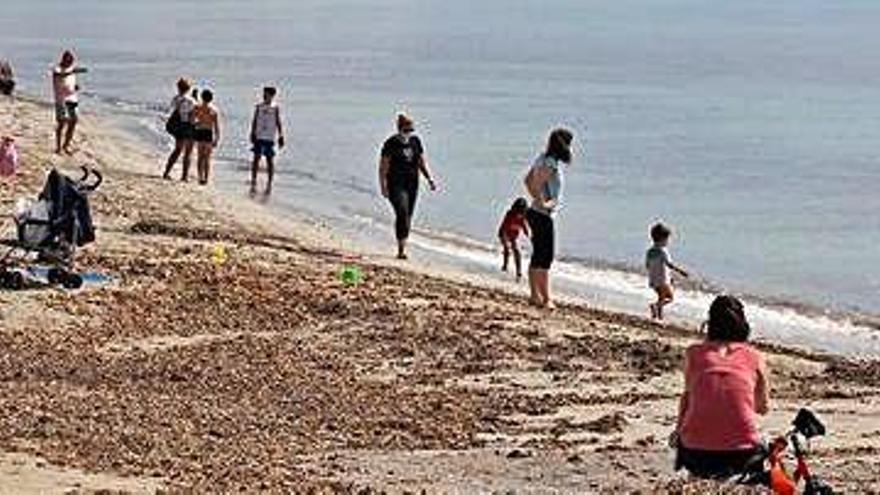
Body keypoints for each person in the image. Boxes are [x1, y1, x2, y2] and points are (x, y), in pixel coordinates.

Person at [673, 295, 770, 479]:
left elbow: (688, 398)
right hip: (741, 455)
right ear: (742, 323)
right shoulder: (755, 357)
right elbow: (762, 408)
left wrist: (678, 431)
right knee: (763, 438)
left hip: (695, 453)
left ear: (710, 323)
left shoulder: (693, 353)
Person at [523, 128, 574, 309]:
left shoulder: (542, 158)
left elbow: (527, 180)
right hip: (542, 215)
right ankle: (546, 298)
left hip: (535, 213)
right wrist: (544, 203)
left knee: (538, 255)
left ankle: (535, 295)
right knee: (545, 257)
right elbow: (535, 184)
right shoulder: (551, 163)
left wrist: (538, 200)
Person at [378, 113, 438, 259]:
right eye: (406, 130)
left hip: (412, 183)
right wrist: (383, 186)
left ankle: (402, 245)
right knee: (402, 212)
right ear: (399, 129)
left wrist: (429, 178)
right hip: (395, 184)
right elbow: (383, 167)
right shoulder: (390, 143)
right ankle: (401, 251)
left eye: (411, 130)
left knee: (408, 216)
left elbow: (421, 162)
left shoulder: (416, 142)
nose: (408, 133)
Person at [646, 222, 689, 320]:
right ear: (663, 239)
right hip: (663, 280)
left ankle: (658, 317)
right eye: (667, 239)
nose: (668, 242)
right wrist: (681, 271)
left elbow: (647, 265)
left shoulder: (650, 251)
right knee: (670, 298)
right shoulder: (663, 250)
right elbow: (669, 264)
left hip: (653, 280)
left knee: (661, 297)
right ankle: (655, 306)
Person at [249, 86, 285, 194]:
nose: (264, 95)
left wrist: (281, 135)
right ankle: (254, 180)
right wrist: (252, 132)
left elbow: (278, 122)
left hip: (269, 137)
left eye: (267, 94)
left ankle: (269, 182)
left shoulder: (275, 107)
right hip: (259, 136)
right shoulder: (259, 106)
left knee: (270, 160)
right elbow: (254, 120)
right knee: (256, 159)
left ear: (272, 95)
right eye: (264, 94)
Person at [51, 50, 88, 155]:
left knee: (73, 122)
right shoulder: (57, 69)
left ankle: (66, 146)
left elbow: (70, 82)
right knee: (62, 123)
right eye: (68, 61)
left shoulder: (71, 70)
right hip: (61, 100)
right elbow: (59, 74)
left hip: (72, 99)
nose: (70, 63)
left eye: (71, 61)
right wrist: (73, 71)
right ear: (63, 60)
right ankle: (58, 147)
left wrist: (75, 87)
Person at [162, 78, 196, 181]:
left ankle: (167, 171)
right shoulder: (191, 101)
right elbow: (192, 117)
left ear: (178, 87)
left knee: (177, 150)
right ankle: (184, 176)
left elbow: (172, 110)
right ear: (189, 88)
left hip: (177, 126)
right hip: (187, 126)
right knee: (188, 152)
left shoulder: (175, 98)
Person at [191, 89, 220, 185]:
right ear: (211, 99)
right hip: (208, 133)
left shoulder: (198, 108)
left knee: (200, 157)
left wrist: (198, 123)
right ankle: (206, 178)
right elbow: (216, 127)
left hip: (199, 132)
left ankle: (200, 177)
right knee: (207, 158)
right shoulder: (214, 110)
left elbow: (192, 121)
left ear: (202, 97)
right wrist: (217, 139)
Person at [497, 197, 530, 279]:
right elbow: (504, 227)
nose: (520, 214)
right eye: (519, 211)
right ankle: (505, 266)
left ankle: (518, 271)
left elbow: (525, 228)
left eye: (522, 212)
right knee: (507, 249)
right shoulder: (510, 214)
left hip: (513, 236)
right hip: (504, 233)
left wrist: (529, 235)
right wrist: (506, 241)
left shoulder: (523, 217)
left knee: (517, 251)